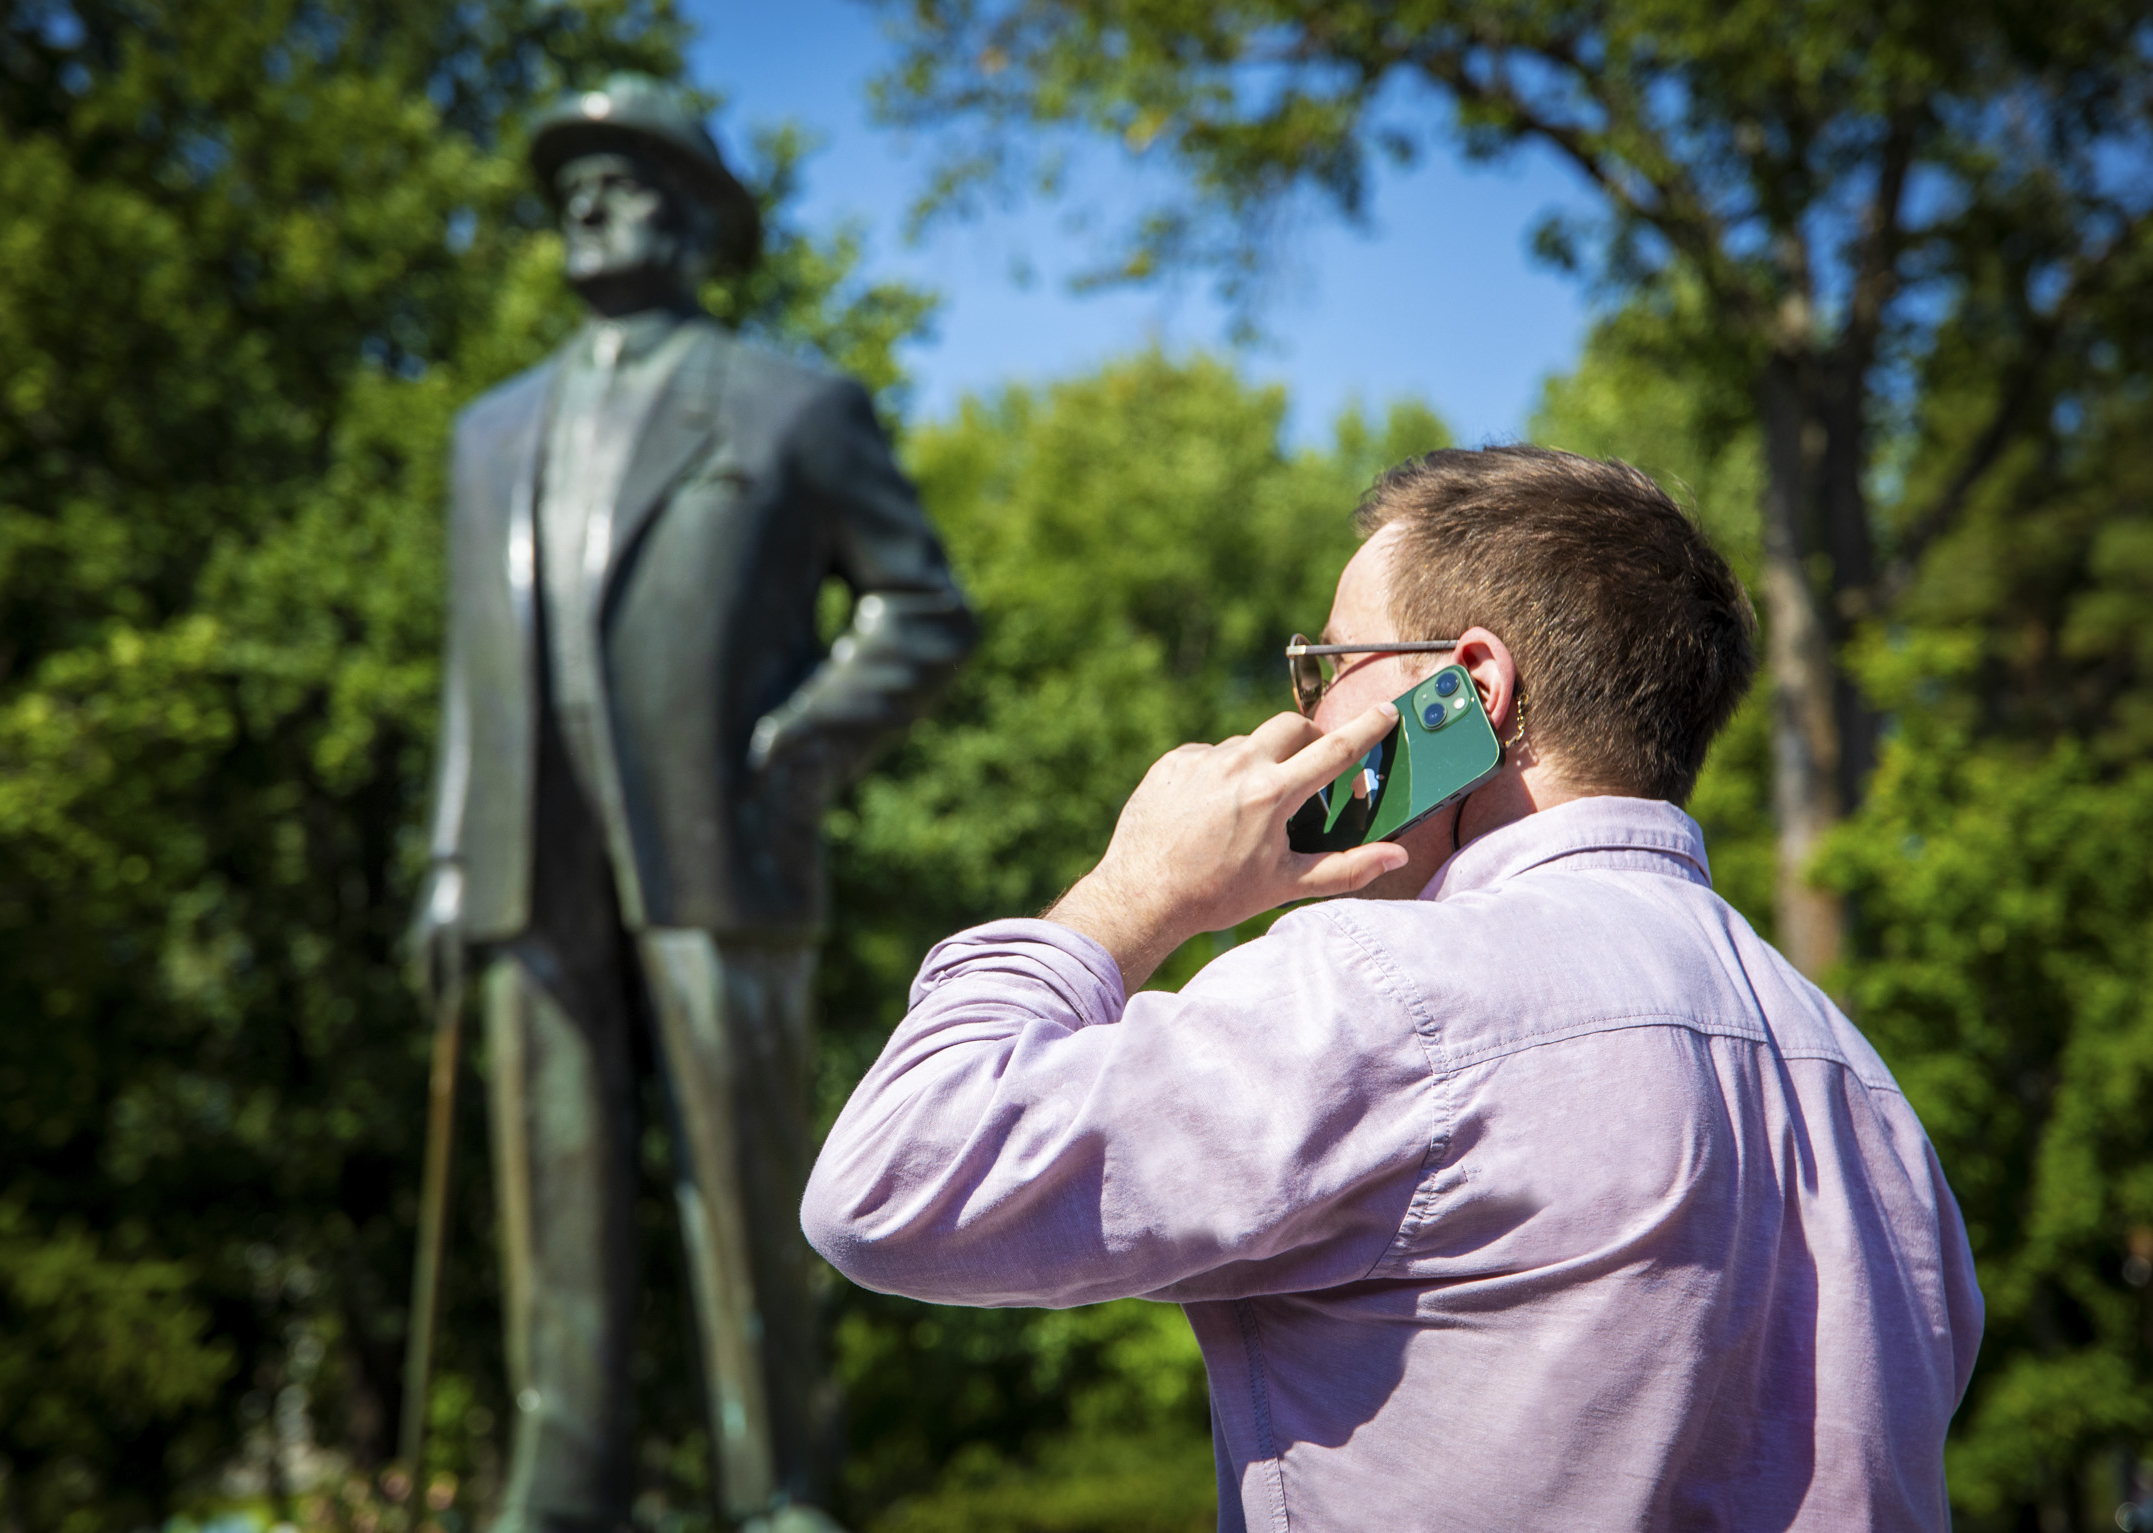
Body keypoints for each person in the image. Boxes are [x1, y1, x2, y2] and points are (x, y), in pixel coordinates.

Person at [800, 446, 1981, 1530]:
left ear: (1467, 689)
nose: (1302, 719)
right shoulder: (1856, 1082)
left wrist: (1134, 893)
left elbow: (889, 1182)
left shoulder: (1388, 996)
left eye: (1326, 667)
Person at [412, 73, 975, 1533]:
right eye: (571, 182)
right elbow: (479, 670)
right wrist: (446, 863)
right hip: (531, 862)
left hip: (722, 848)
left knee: (744, 1191)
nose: (590, 200)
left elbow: (922, 607)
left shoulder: (790, 405)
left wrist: (796, 746)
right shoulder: (492, 433)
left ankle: (777, 1487)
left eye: (627, 171)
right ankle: (562, 1481)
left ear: (695, 213)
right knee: (552, 1192)